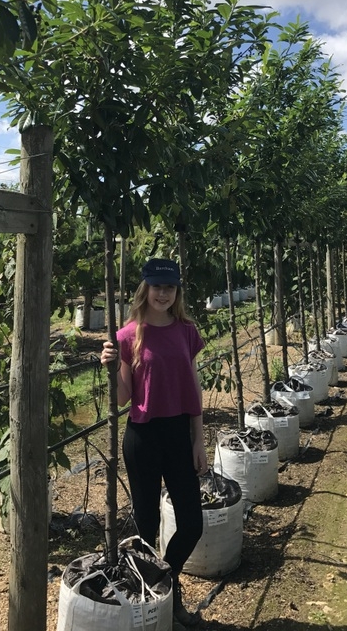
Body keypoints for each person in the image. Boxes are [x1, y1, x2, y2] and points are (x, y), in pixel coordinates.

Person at [101, 258, 207, 628]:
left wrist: (199, 439)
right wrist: (112, 368)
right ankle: (160, 605)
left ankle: (167, 580)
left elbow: (193, 386)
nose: (163, 293)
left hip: (179, 435)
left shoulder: (185, 330)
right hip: (143, 437)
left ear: (177, 291)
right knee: (145, 528)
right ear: (144, 289)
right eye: (157, 286)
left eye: (170, 287)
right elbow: (123, 398)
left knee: (192, 522)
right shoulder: (128, 335)